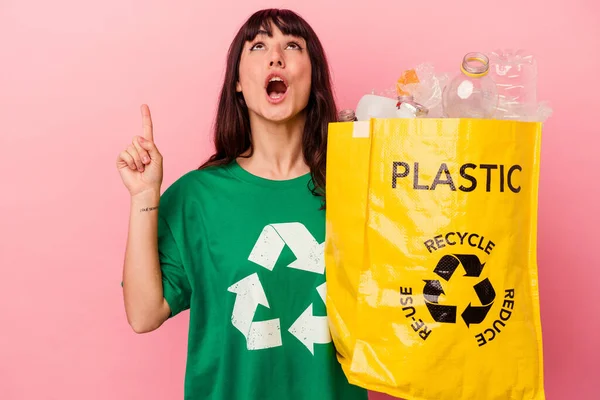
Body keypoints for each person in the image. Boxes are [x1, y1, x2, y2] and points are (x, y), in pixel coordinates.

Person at [116, 8, 368, 400]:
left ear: (313, 75)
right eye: (259, 45)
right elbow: (144, 313)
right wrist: (145, 197)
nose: (275, 56)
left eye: (292, 45)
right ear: (237, 82)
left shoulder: (357, 186)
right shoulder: (198, 196)